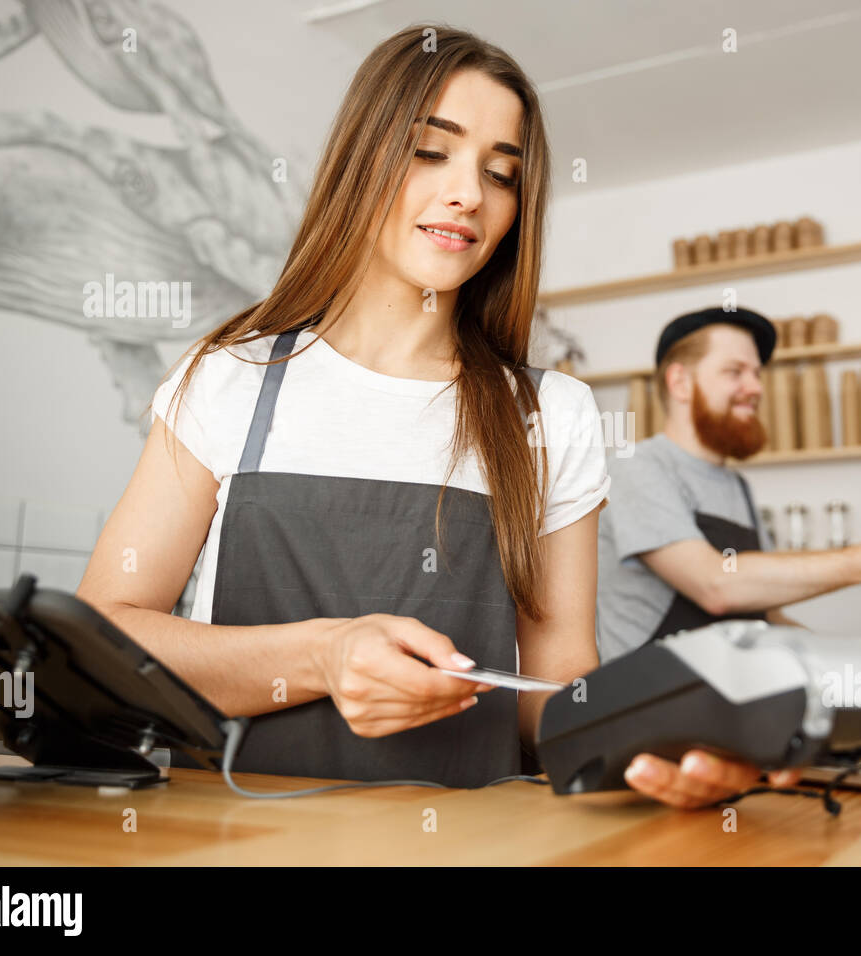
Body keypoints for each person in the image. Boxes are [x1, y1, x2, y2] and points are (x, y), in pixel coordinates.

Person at [77, 25, 613, 790]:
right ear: (364, 159)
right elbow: (105, 641)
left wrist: (645, 739)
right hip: (233, 840)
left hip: (466, 847)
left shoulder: (551, 414)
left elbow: (558, 687)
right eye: (432, 151)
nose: (468, 193)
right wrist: (322, 658)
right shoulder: (230, 377)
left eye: (501, 173)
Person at [595, 307, 861, 803]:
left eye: (758, 374)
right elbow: (715, 585)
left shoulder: (737, 488)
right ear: (680, 381)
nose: (755, 387)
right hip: (648, 744)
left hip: (728, 725)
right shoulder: (636, 469)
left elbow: (765, 618)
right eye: (735, 371)